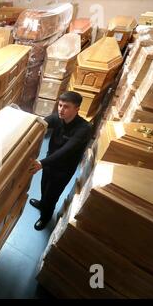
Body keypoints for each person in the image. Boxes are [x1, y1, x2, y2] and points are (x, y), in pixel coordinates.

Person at [29, 91, 92, 231]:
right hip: (49, 164)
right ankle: (42, 203)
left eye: (66, 107)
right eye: (60, 105)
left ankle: (45, 217)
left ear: (77, 109)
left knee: (52, 195)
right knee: (44, 185)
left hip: (63, 169)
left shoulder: (84, 129)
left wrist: (41, 163)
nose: (61, 110)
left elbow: (65, 151)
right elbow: (42, 123)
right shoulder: (57, 118)